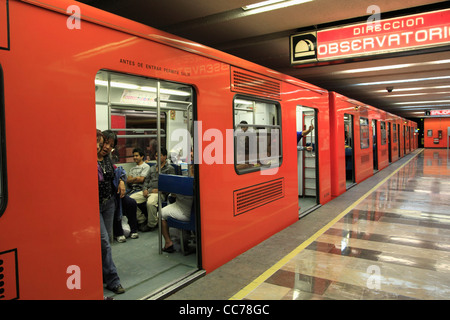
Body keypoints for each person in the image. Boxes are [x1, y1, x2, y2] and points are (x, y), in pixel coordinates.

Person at [97, 129, 125, 294]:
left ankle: (103, 274)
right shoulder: (90, 157)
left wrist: (121, 180)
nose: (107, 147)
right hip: (95, 206)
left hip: (108, 204)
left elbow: (117, 171)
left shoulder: (107, 159)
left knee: (107, 243)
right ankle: (113, 280)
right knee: (105, 243)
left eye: (111, 145)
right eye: (105, 143)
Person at [131, 147, 175, 232]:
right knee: (130, 200)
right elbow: (146, 181)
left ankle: (151, 224)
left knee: (150, 203)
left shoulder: (170, 169)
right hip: (149, 190)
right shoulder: (152, 168)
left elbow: (171, 185)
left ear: (165, 156)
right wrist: (144, 189)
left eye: (160, 156)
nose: (157, 158)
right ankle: (141, 219)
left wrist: (160, 190)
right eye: (156, 156)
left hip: (159, 193)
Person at [161, 161, 194, 253]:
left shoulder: (186, 182)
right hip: (194, 212)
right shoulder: (201, 181)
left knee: (160, 214)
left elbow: (174, 195)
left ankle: (168, 242)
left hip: (184, 211)